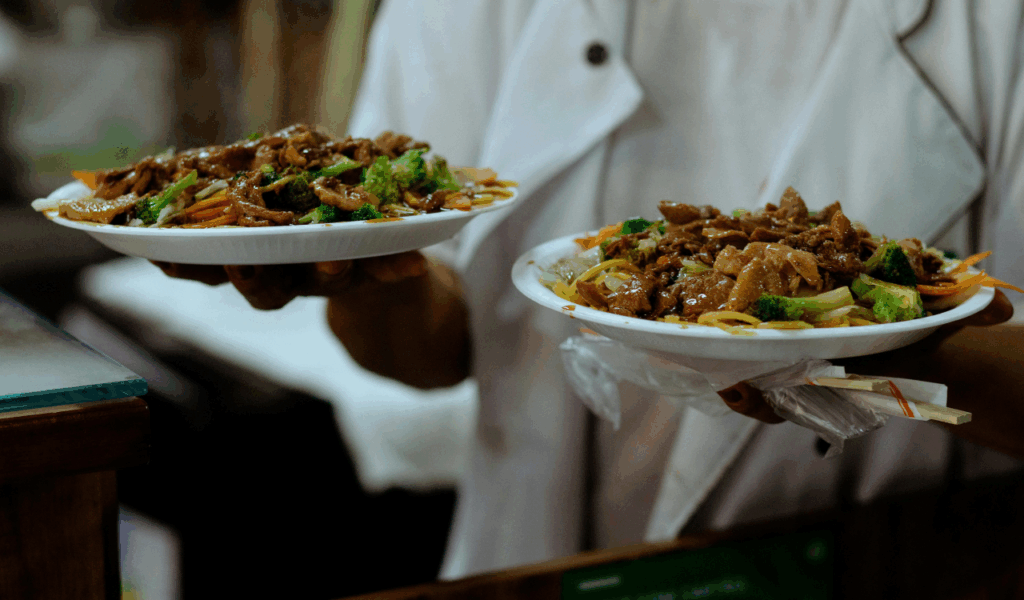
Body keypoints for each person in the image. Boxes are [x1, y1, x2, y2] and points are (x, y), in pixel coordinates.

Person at [159, 0, 1024, 584]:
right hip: (535, 561)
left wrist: (860, 351)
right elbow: (430, 351)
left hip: (882, 562)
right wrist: (352, 266)